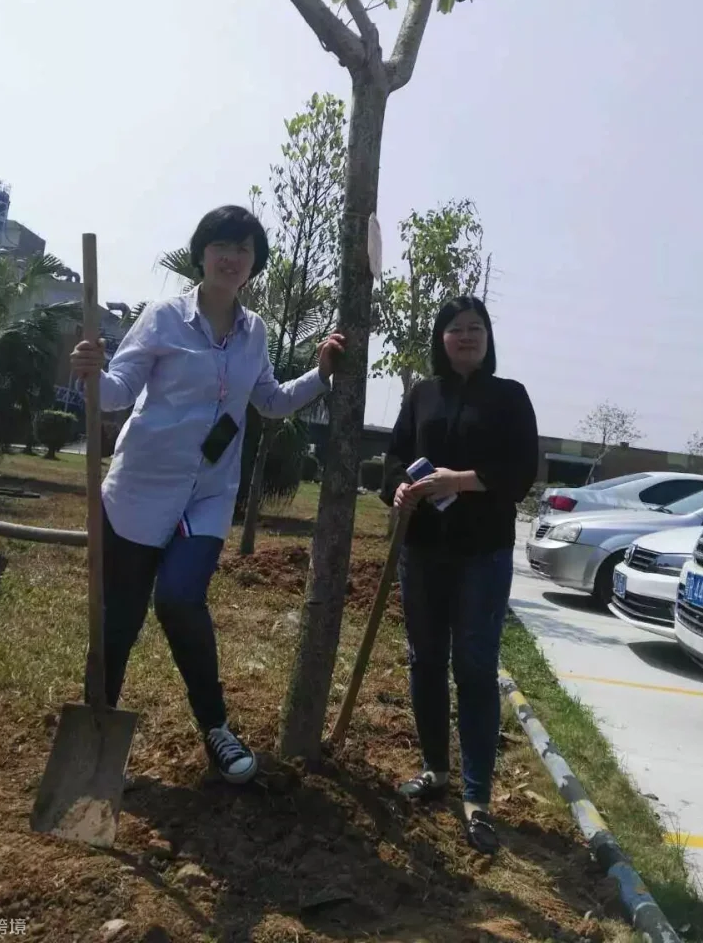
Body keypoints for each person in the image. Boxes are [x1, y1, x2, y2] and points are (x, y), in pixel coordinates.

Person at [70, 205, 344, 785]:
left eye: (244, 248)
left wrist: (320, 375)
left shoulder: (256, 331)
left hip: (209, 496)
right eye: (222, 245)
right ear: (202, 253)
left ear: (254, 263)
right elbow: (118, 392)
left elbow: (269, 400)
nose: (231, 257)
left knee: (178, 597)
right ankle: (94, 735)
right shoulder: (163, 318)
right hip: (140, 490)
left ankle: (216, 728)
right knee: (119, 622)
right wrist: (93, 371)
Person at [381, 295, 538, 855]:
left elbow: (521, 471)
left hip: (482, 553)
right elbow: (394, 458)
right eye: (455, 328)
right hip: (423, 548)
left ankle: (477, 797)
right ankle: (435, 770)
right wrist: (399, 488)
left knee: (473, 667)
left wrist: (460, 481)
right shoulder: (422, 394)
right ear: (440, 338)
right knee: (425, 660)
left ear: (488, 338)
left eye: (475, 328)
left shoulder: (509, 397)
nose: (466, 336)